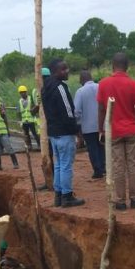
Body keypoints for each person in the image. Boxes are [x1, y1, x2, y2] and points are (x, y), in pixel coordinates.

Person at [97, 52, 135, 210]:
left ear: (112, 66)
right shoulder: (134, 85)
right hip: (132, 129)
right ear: (127, 67)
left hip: (114, 131)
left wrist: (101, 129)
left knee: (118, 165)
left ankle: (120, 200)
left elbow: (101, 109)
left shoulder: (103, 84)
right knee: (133, 164)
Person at [42, 58, 85, 208]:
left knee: (60, 164)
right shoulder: (60, 87)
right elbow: (69, 112)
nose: (67, 71)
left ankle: (58, 196)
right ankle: (67, 196)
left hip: (53, 133)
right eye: (63, 69)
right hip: (64, 132)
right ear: (55, 72)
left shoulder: (45, 87)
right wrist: (77, 132)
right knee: (66, 165)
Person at [74, 70, 104, 179]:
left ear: (81, 80)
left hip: (88, 126)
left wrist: (77, 124)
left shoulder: (80, 92)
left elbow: (76, 111)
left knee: (92, 148)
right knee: (102, 146)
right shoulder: (100, 87)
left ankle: (97, 170)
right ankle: (104, 167)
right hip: (102, 125)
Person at [17, 85, 40, 151]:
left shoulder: (31, 99)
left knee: (35, 134)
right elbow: (18, 112)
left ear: (26, 92)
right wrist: (19, 121)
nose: (23, 93)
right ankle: (29, 146)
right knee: (26, 135)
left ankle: (39, 145)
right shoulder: (19, 102)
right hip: (24, 121)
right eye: (21, 92)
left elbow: (35, 107)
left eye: (24, 92)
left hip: (31, 120)